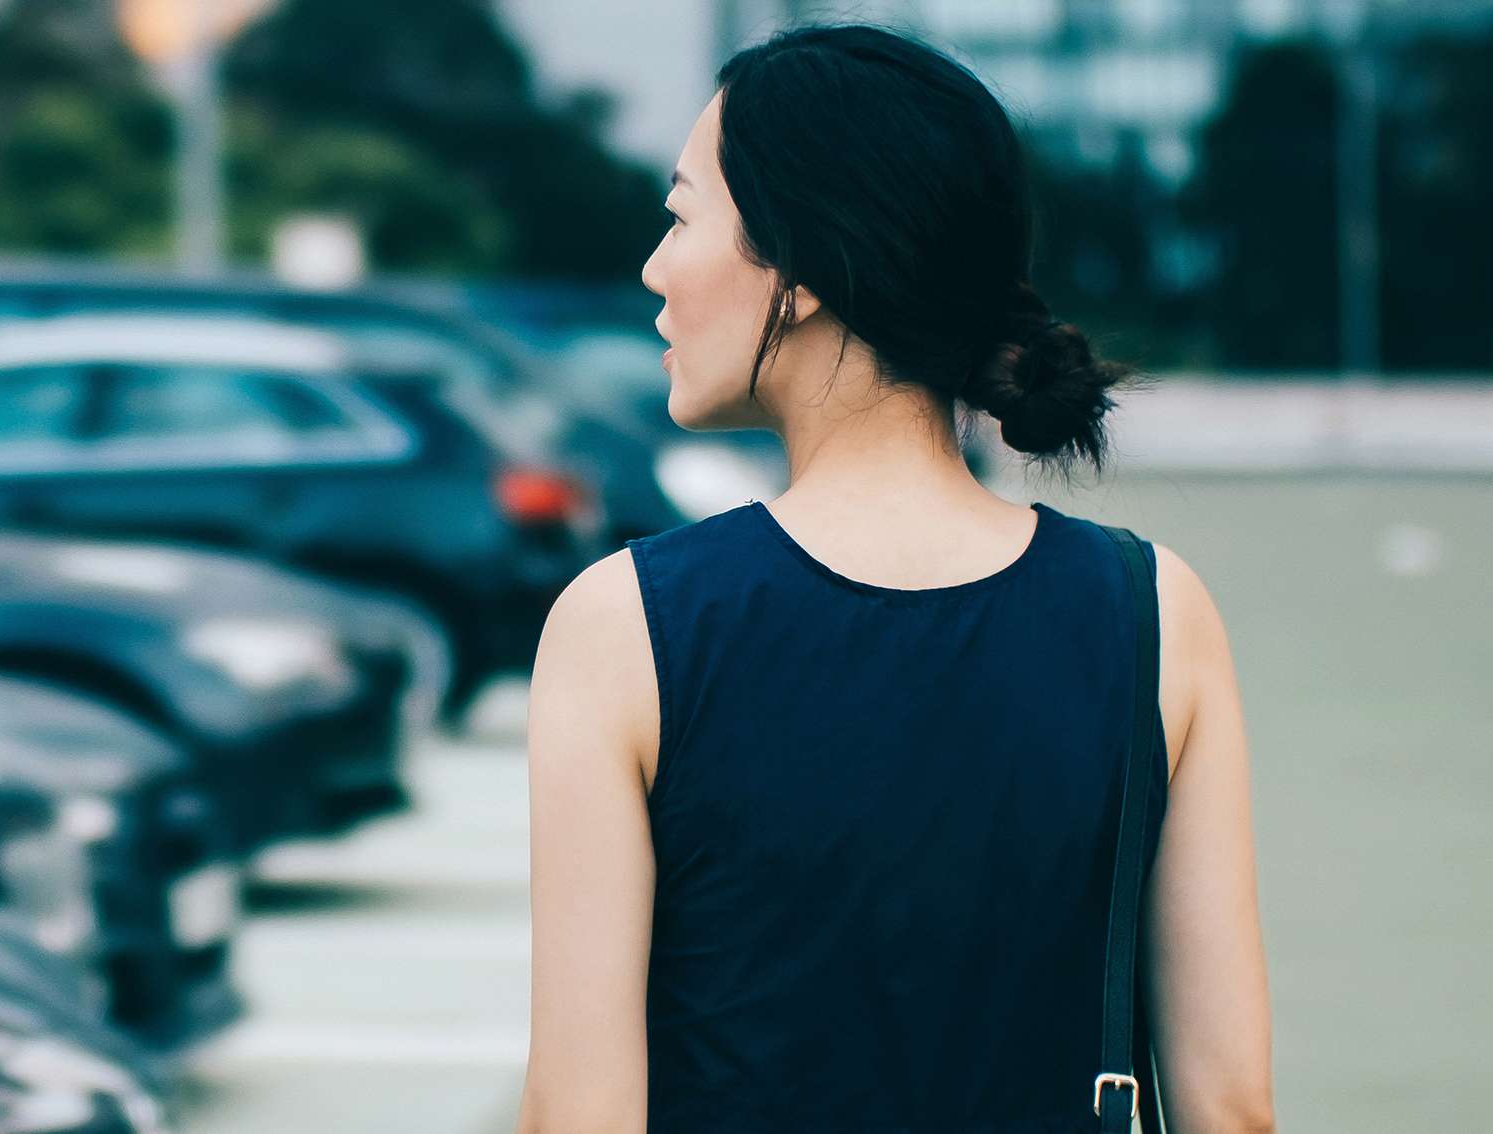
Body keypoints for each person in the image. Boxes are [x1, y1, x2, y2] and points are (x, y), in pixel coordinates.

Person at [517, 25, 1274, 1134]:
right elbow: (1231, 1109)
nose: (654, 267)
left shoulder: (628, 626)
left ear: (799, 272)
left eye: (680, 217)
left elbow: (577, 1116)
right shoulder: (1150, 609)